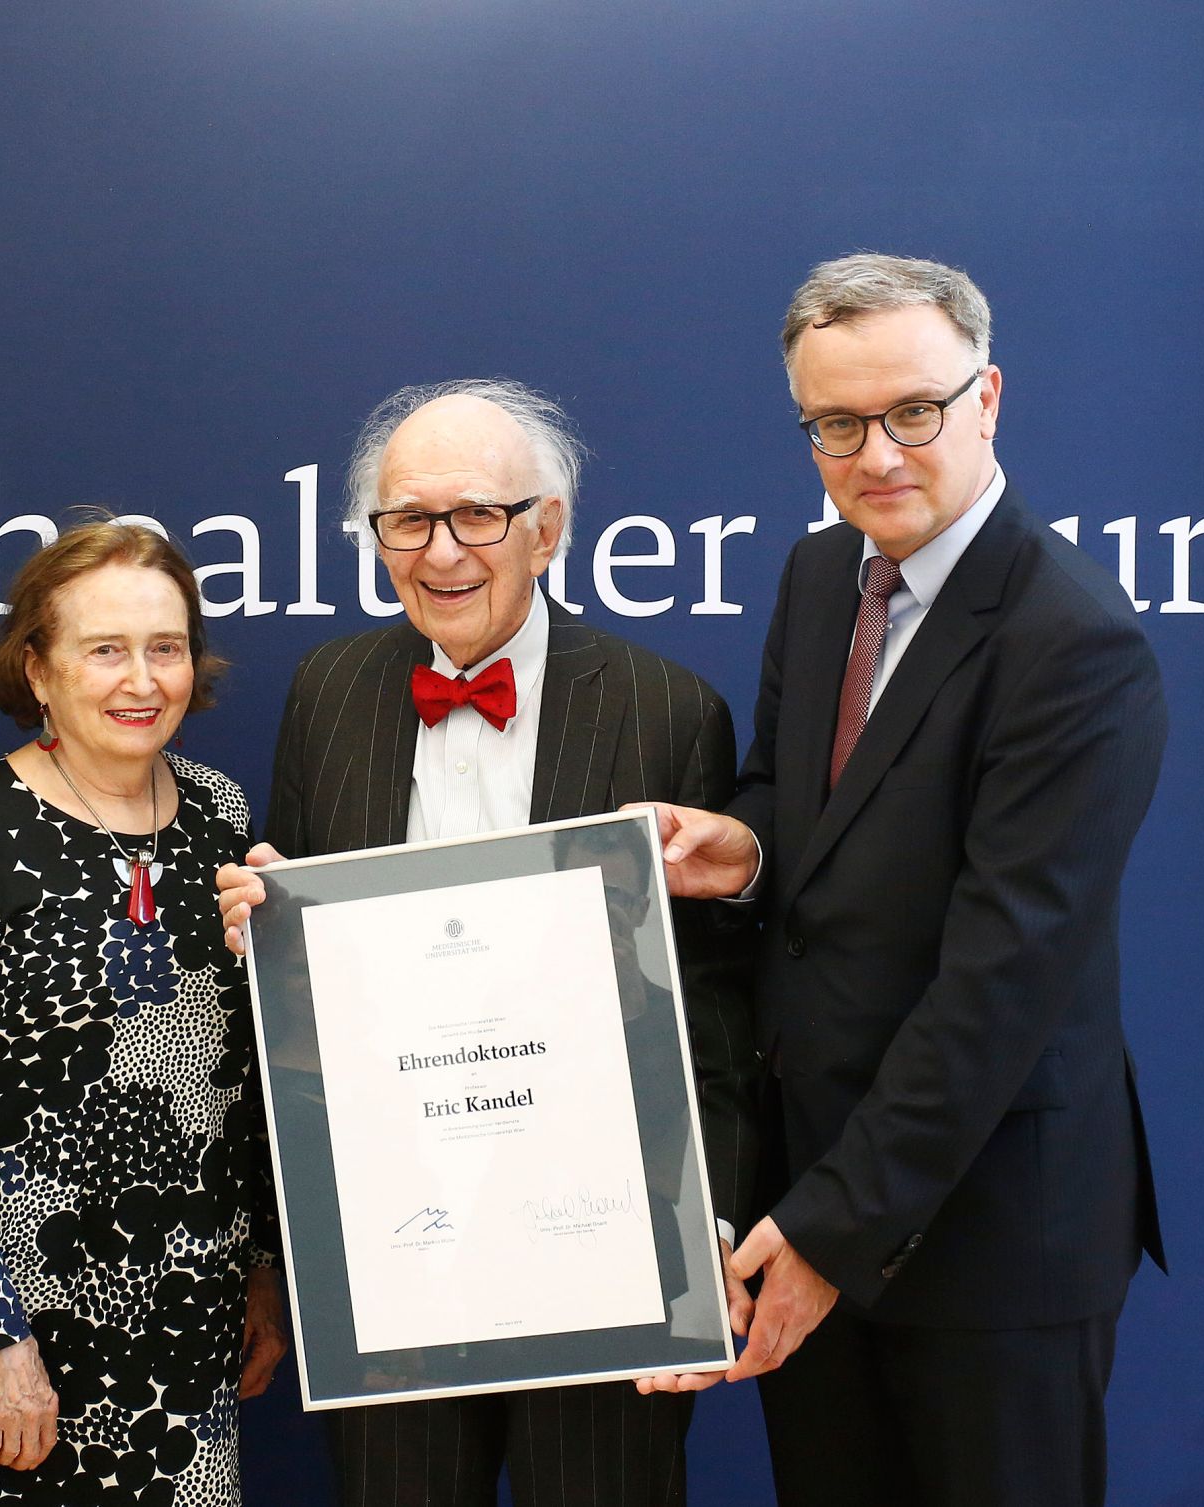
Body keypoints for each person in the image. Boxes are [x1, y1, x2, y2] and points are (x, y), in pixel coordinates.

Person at [649, 253, 1166, 1506]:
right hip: (811, 1194)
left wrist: (830, 1229)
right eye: (834, 423)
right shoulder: (819, 573)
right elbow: (791, 793)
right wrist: (746, 849)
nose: (874, 455)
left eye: (911, 412)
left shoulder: (1074, 645)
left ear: (985, 398)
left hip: (987, 1240)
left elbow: (1000, 986)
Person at [217, 379, 756, 1507]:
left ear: (546, 529)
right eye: (408, 520)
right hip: (391, 1253)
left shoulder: (668, 709)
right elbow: (299, 1007)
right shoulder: (327, 693)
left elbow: (711, 1017)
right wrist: (267, 933)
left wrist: (697, 1234)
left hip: (607, 1253)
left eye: (477, 515)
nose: (441, 551)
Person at [0, 521, 286, 1506]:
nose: (141, 680)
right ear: (38, 669)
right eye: (105, 649)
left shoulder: (223, 814)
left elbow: (245, 1076)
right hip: (25, 1333)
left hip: (193, 1322)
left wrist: (264, 1268)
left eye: (165, 647)